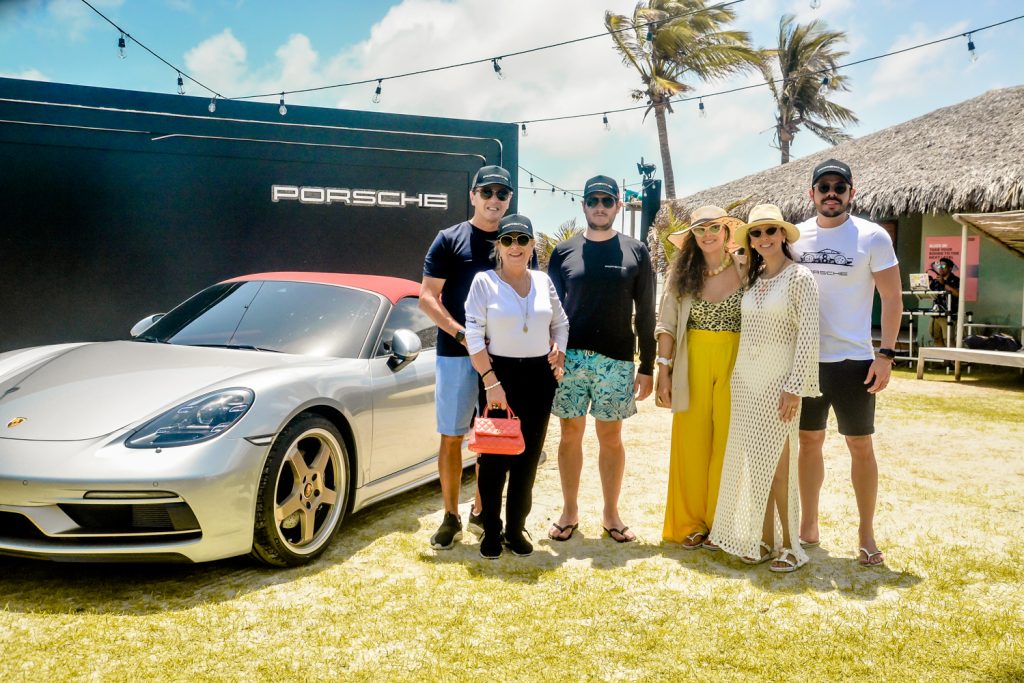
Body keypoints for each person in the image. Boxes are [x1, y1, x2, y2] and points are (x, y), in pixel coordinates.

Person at [792, 159, 902, 567]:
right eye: (824, 187)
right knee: (808, 442)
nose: (832, 193)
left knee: (860, 445)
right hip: (805, 360)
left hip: (855, 360)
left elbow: (892, 297)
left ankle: (866, 533)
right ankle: (808, 525)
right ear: (813, 194)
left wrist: (886, 354)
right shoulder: (796, 237)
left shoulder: (872, 237)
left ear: (851, 193)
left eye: (840, 186)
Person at [709, 204, 820, 573]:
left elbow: (807, 336)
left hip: (780, 384)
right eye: (755, 233)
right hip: (745, 383)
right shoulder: (754, 281)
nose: (763, 238)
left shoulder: (801, 277)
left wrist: (794, 387)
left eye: (770, 231)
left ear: (783, 235)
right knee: (756, 466)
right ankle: (763, 537)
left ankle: (790, 545)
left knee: (778, 468)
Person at [547, 175, 656, 543]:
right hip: (570, 359)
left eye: (607, 201)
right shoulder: (563, 252)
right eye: (593, 200)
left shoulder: (636, 251)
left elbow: (646, 313)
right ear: (583, 206)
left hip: (617, 360)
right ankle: (569, 510)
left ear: (617, 206)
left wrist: (647, 366)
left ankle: (611, 513)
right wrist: (551, 354)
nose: (599, 206)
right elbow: (551, 311)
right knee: (569, 435)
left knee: (611, 437)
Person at [420, 165, 514, 550]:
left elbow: (533, 295)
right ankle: (450, 516)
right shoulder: (448, 239)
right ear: (472, 196)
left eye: (502, 194)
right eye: (487, 192)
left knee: (495, 436)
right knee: (452, 436)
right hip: (456, 355)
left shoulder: (516, 240)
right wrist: (461, 334)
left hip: (504, 357)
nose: (494, 200)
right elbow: (427, 297)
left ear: (509, 200)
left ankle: (481, 509)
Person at [464, 214, 568, 559]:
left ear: (532, 246)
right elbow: (474, 335)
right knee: (493, 458)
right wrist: (490, 381)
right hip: (498, 376)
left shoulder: (542, 280)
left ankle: (514, 528)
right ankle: (490, 531)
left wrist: (559, 351)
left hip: (539, 378)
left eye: (523, 240)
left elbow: (561, 322)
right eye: (508, 240)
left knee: (528, 457)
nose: (515, 247)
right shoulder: (484, 282)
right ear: (498, 246)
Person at [655, 206, 745, 549]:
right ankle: (691, 523)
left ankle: (721, 525)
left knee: (727, 445)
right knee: (690, 445)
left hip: (736, 364)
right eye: (699, 230)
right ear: (692, 237)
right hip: (691, 362)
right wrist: (663, 372)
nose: (707, 235)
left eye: (713, 228)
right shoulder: (681, 274)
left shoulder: (746, 267)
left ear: (726, 232)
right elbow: (666, 325)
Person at [928, 257, 960, 347]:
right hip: (936, 314)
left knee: (949, 339)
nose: (940, 268)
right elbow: (928, 292)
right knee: (936, 337)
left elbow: (958, 294)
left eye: (943, 266)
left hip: (948, 315)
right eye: (939, 265)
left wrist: (944, 284)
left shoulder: (956, 280)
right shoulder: (936, 280)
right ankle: (944, 360)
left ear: (950, 268)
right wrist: (927, 282)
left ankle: (953, 360)